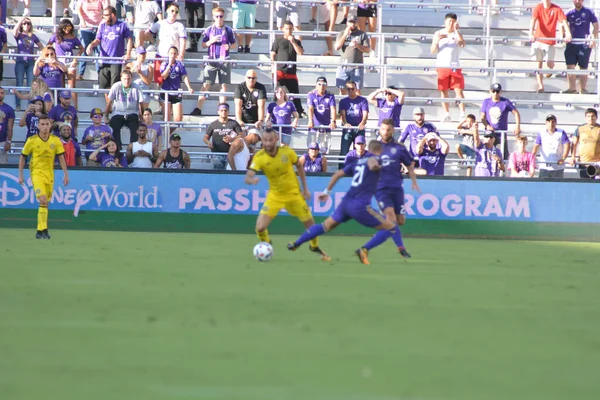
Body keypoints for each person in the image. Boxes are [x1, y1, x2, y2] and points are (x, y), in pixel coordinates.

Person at [288, 140, 400, 265]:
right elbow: (373, 164)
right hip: (360, 206)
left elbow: (337, 175)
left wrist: (326, 191)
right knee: (391, 227)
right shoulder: (374, 159)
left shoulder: (357, 162)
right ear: (379, 151)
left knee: (325, 226)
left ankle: (296, 243)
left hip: (345, 203)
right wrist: (379, 167)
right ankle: (364, 250)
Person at [244, 128, 330, 260]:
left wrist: (305, 188)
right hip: (275, 196)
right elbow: (248, 175)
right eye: (265, 140)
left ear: (276, 139)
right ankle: (266, 243)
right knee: (260, 228)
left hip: (293, 194)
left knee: (311, 226)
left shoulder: (287, 152)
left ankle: (314, 246)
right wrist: (251, 179)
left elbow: (299, 166)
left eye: (270, 140)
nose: (267, 143)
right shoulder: (259, 157)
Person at [18, 115, 69, 240]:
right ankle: (41, 230)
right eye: (42, 124)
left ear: (50, 125)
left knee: (45, 203)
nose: (45, 127)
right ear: (38, 126)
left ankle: (42, 231)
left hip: (49, 175)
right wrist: (20, 175)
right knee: (42, 200)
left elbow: (61, 157)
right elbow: (23, 157)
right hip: (37, 174)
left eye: (47, 124)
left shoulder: (55, 140)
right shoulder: (32, 140)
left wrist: (65, 174)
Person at [377, 119, 420, 258]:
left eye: (388, 129)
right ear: (380, 130)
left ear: (393, 131)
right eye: (383, 129)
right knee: (391, 219)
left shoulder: (400, 148)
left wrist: (414, 181)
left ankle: (382, 233)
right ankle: (400, 248)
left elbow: (409, 164)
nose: (385, 132)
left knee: (400, 221)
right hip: (381, 189)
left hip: (396, 188)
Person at [86, 6, 133, 104]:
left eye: (106, 15)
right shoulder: (102, 25)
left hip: (116, 60)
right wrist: (91, 45)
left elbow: (129, 39)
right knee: (104, 85)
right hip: (104, 60)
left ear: (113, 15)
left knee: (114, 85)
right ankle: (109, 105)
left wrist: (128, 53)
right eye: (103, 15)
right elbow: (98, 39)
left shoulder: (122, 24)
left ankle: (110, 106)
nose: (104, 17)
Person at [193, 6, 235, 116]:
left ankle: (222, 110)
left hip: (224, 59)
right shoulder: (209, 30)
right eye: (217, 16)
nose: (219, 18)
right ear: (213, 17)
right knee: (206, 85)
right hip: (211, 59)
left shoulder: (228, 30)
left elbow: (234, 44)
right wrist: (211, 41)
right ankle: (198, 108)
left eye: (221, 16)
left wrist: (229, 47)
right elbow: (202, 45)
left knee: (223, 86)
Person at [431, 12, 466, 122]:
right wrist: (437, 41)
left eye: (453, 21)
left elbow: (462, 44)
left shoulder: (457, 34)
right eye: (449, 21)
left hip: (455, 66)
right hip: (442, 66)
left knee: (458, 91)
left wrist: (457, 31)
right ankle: (446, 114)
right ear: (445, 21)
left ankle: (462, 114)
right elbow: (432, 51)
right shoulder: (438, 33)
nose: (451, 23)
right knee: (443, 91)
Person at [529, 0, 571, 93]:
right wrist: (531, 33)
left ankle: (548, 72)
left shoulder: (556, 8)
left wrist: (568, 33)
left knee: (550, 64)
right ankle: (541, 85)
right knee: (538, 63)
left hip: (550, 41)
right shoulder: (538, 7)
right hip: (538, 39)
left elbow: (564, 21)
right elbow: (533, 20)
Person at [143, 2, 187, 84]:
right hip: (160, 56)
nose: (174, 13)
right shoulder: (160, 23)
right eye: (172, 10)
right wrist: (154, 42)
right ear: (167, 10)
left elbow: (183, 41)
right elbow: (147, 34)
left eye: (176, 12)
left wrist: (181, 54)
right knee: (160, 81)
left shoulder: (180, 25)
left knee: (173, 82)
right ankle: (161, 97)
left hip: (173, 58)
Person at [562, 0, 598, 94]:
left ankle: (583, 89)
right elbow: (563, 23)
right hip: (572, 43)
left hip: (584, 44)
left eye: (579, 0)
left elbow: (596, 26)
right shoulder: (569, 12)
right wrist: (564, 35)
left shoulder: (588, 11)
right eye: (575, 0)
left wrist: (593, 38)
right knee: (570, 66)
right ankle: (572, 89)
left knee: (583, 67)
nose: (577, 1)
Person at [270, 20, 305, 117]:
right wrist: (273, 67)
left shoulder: (296, 41)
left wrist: (293, 42)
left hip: (291, 72)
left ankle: (299, 111)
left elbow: (300, 53)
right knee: (277, 92)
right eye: (286, 28)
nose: (288, 31)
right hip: (280, 71)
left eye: (290, 28)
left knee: (295, 93)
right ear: (282, 29)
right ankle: (273, 110)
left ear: (293, 29)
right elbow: (272, 54)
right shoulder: (278, 41)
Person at [480, 83, 521, 159]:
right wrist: (487, 126)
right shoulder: (486, 102)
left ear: (500, 92)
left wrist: (517, 126)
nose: (495, 93)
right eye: (493, 91)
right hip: (489, 134)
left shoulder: (505, 102)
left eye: (497, 91)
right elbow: (482, 117)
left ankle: (503, 170)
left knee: (502, 156)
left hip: (501, 134)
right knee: (487, 155)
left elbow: (516, 113)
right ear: (490, 91)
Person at [48, 19, 84, 108]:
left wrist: (76, 58)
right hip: (59, 61)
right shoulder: (56, 36)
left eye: (69, 27)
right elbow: (48, 46)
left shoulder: (73, 37)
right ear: (62, 28)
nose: (67, 30)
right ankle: (62, 105)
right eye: (65, 28)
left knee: (72, 85)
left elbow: (82, 48)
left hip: (70, 61)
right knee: (61, 85)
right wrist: (51, 56)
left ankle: (75, 107)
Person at [105, 69, 144, 149]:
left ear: (131, 79)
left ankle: (132, 148)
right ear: (121, 78)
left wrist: (141, 116)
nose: (127, 81)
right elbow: (109, 102)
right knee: (114, 127)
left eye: (129, 79)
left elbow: (141, 103)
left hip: (132, 112)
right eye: (125, 79)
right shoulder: (116, 86)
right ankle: (117, 147)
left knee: (135, 129)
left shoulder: (136, 87)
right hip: (118, 112)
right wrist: (106, 116)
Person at [159, 46, 194, 131]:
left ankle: (167, 136)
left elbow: (184, 76)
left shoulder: (180, 64)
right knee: (166, 119)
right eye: (171, 53)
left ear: (177, 55)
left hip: (176, 92)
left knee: (178, 120)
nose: (173, 55)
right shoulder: (164, 63)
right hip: (166, 92)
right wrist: (169, 65)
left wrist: (189, 87)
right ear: (168, 54)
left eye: (175, 53)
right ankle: (166, 139)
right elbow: (163, 76)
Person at [12, 17, 43, 111]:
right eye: (24, 23)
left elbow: (41, 47)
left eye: (28, 23)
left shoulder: (33, 36)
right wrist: (21, 20)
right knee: (19, 83)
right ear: (22, 24)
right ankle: (18, 104)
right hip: (20, 61)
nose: (26, 25)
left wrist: (39, 57)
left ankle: (31, 105)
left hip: (30, 62)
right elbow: (14, 31)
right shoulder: (19, 35)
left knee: (31, 84)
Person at [334, 15, 370, 95]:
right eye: (350, 22)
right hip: (343, 65)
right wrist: (345, 35)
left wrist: (357, 45)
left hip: (357, 66)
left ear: (357, 23)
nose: (352, 25)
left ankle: (357, 107)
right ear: (347, 23)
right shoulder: (341, 33)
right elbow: (336, 47)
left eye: (354, 22)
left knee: (357, 90)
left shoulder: (362, 34)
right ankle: (342, 107)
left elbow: (367, 50)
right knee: (342, 89)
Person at [204, 103, 244, 170]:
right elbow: (205, 137)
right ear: (218, 112)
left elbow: (242, 135)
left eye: (225, 110)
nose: (224, 112)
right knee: (218, 173)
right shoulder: (213, 124)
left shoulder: (234, 123)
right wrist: (208, 143)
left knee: (230, 173)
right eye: (221, 110)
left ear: (228, 111)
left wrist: (232, 139)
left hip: (231, 153)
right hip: (216, 153)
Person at [77, 0, 109, 80]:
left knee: (98, 52)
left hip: (98, 28)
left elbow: (106, 9)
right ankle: (81, 73)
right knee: (84, 50)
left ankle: (99, 74)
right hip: (86, 28)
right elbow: (79, 9)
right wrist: (82, 20)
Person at [339, 81, 369, 165]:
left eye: (352, 89)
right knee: (344, 152)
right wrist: (345, 123)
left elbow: (365, 114)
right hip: (348, 129)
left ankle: (358, 170)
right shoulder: (343, 101)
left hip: (359, 129)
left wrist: (362, 123)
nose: (351, 91)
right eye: (348, 89)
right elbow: (343, 115)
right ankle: (342, 172)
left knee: (359, 152)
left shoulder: (363, 100)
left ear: (356, 89)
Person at [532, 114, 571, 178]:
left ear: (556, 123)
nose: (551, 124)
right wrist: (532, 157)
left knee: (557, 186)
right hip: (544, 166)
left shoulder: (561, 132)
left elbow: (567, 145)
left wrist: (563, 158)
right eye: (549, 122)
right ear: (546, 123)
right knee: (543, 186)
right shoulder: (541, 133)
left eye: (553, 122)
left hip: (557, 167)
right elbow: (536, 146)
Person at [307, 76, 336, 153]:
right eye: (319, 84)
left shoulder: (330, 96)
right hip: (314, 127)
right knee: (312, 151)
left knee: (324, 151)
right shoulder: (311, 95)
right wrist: (310, 120)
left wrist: (333, 121)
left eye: (324, 84)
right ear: (316, 85)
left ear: (327, 86)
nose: (321, 86)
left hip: (325, 128)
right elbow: (310, 108)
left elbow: (333, 109)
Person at [570, 108, 600, 178]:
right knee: (585, 184)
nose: (591, 118)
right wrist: (572, 157)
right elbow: (574, 144)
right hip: (584, 163)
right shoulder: (580, 128)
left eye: (593, 116)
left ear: (596, 117)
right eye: (588, 116)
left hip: (597, 164)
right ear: (585, 118)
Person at [129, 46, 153, 110]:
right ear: (136, 54)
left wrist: (140, 73)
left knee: (142, 113)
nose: (142, 56)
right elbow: (125, 77)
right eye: (140, 54)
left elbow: (148, 82)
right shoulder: (130, 64)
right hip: (132, 91)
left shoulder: (149, 67)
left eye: (143, 54)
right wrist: (133, 69)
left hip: (144, 92)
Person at [0, 86, 15, 164]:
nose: (0, 94)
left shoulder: (9, 109)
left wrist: (8, 142)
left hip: (2, 141)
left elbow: (10, 127)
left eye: (2, 93)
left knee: (2, 167)